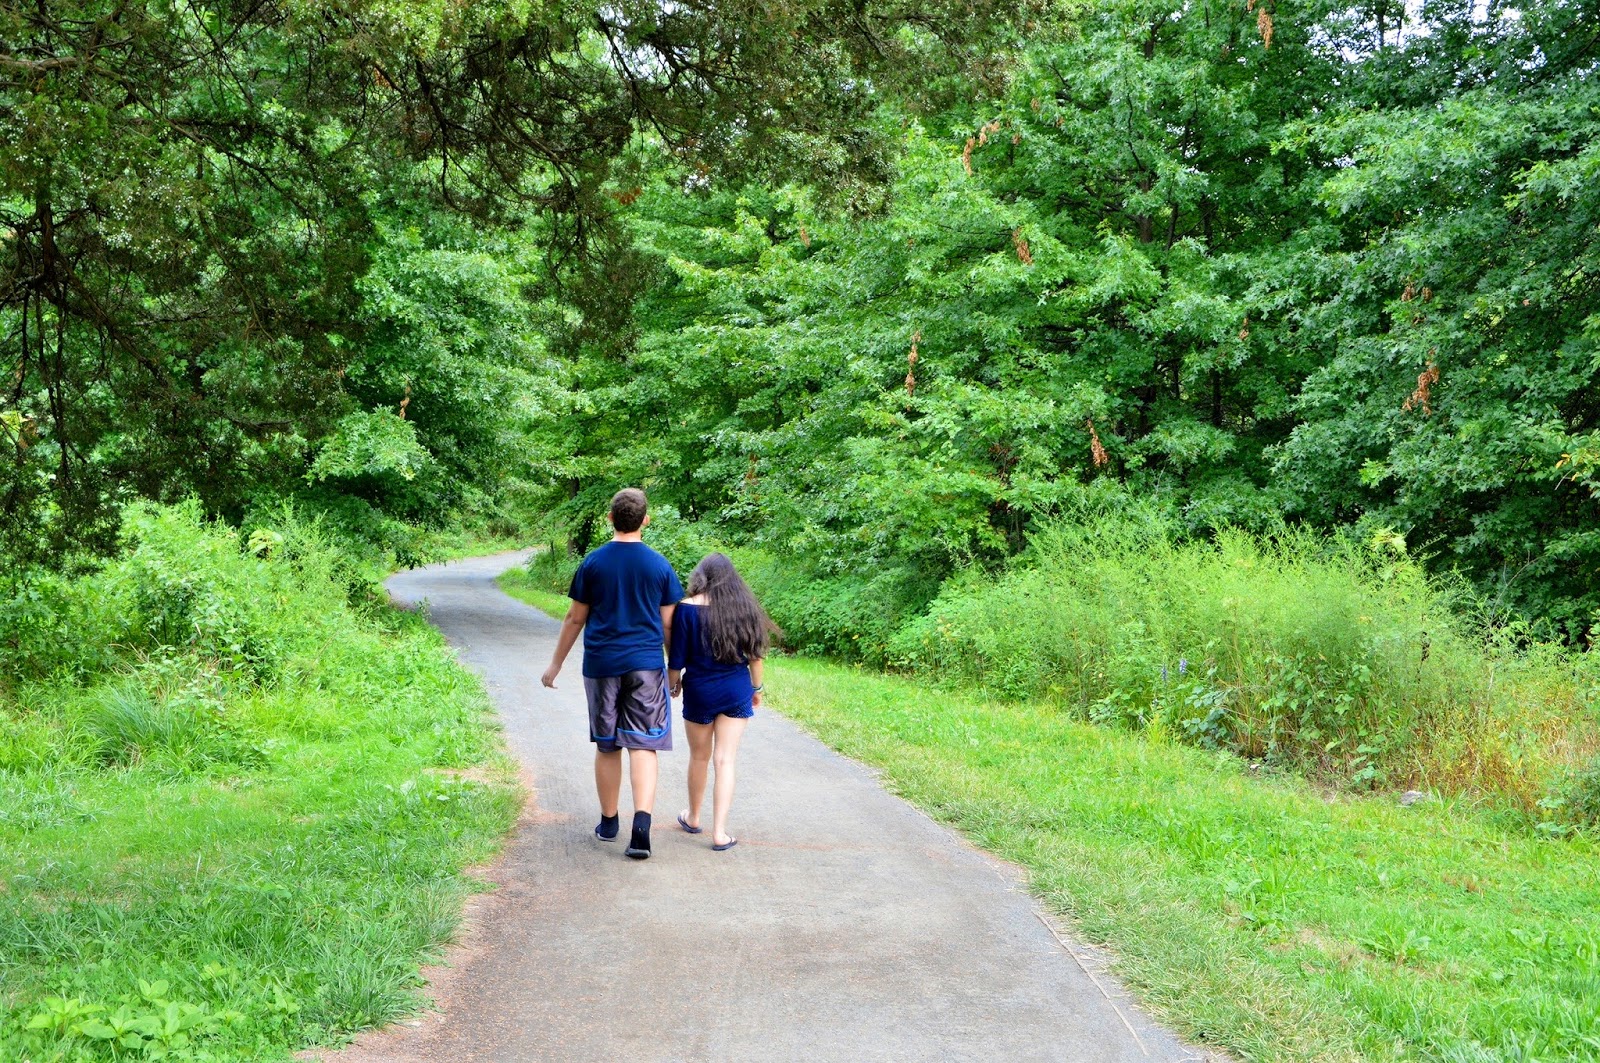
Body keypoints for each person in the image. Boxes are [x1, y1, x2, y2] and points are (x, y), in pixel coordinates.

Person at [542, 488, 683, 860]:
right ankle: (642, 825)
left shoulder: (593, 563)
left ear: (610, 517)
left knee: (608, 744)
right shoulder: (659, 565)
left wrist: (555, 663)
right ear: (645, 520)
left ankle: (609, 822)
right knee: (643, 743)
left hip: (602, 664)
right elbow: (669, 626)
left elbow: (576, 617)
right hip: (646, 666)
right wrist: (673, 668)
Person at [668, 553, 779, 851]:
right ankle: (719, 833)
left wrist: (673, 684)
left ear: (700, 577)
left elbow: (676, 659)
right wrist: (757, 688)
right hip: (735, 690)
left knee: (699, 757)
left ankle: (693, 817)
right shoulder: (744, 609)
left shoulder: (686, 610)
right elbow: (756, 660)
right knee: (725, 760)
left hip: (700, 691)